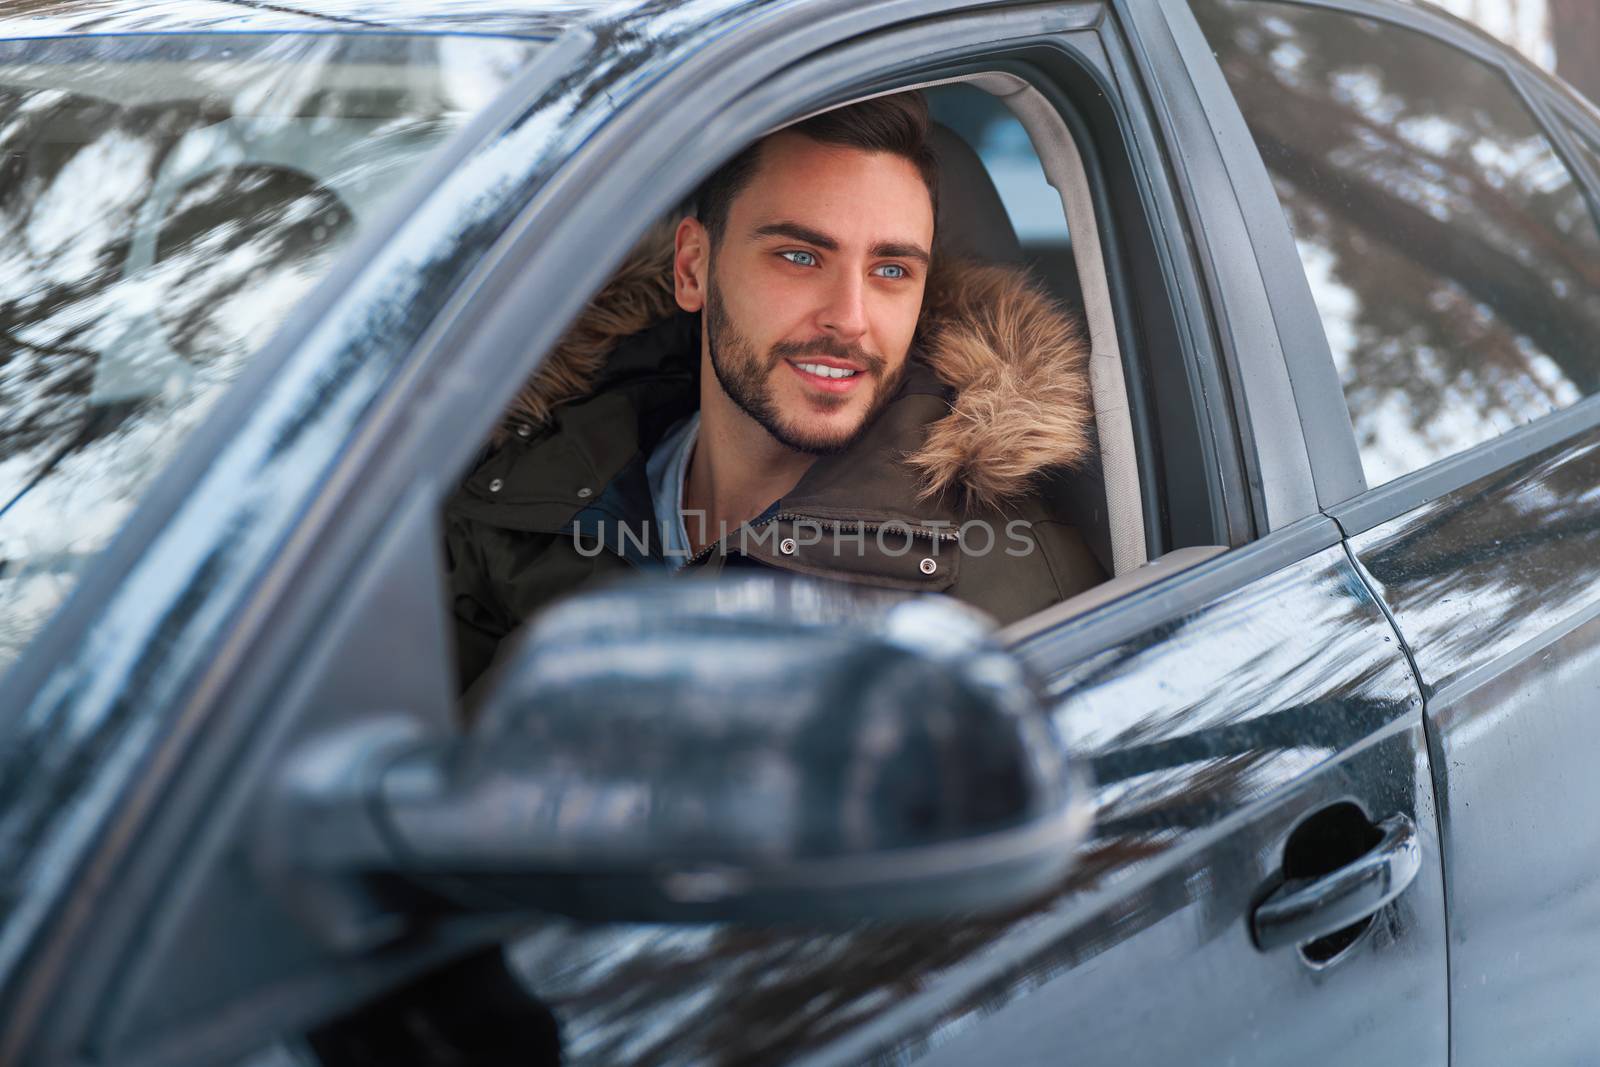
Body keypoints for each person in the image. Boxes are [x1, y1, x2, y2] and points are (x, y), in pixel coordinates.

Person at [445, 91, 1105, 694]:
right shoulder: (519, 489)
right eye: (800, 256)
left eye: (891, 270)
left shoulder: (1004, 595)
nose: (850, 317)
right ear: (692, 268)